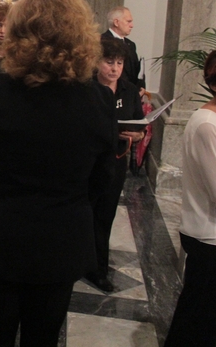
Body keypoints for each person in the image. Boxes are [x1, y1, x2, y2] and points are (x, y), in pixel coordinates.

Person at [0, 0, 115, 346]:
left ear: (19, 33)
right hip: (60, 239)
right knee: (43, 336)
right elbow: (102, 181)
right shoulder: (98, 101)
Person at [165, 48, 216, 347]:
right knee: (199, 318)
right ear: (215, 82)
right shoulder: (208, 124)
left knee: (204, 315)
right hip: (212, 235)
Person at [86, 39, 145, 293]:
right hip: (87, 162)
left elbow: (141, 128)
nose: (114, 68)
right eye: (109, 62)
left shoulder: (129, 91)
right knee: (83, 213)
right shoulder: (85, 87)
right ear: (97, 62)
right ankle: (77, 262)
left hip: (116, 161)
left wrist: (135, 135)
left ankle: (99, 270)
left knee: (105, 216)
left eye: (119, 63)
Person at [101, 6, 145, 93]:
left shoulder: (131, 45)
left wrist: (140, 87)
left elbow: (135, 71)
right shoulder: (102, 42)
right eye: (128, 21)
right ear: (116, 22)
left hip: (130, 94)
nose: (132, 25)